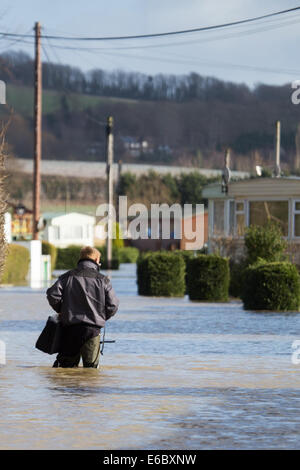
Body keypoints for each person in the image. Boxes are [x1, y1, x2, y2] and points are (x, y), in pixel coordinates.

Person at [46, 246, 119, 368]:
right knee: (91, 372)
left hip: (70, 329)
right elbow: (113, 305)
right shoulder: (103, 280)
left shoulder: (66, 277)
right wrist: (101, 317)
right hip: (93, 331)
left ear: (81, 258)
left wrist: (61, 310)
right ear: (96, 260)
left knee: (66, 370)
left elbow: (52, 295)